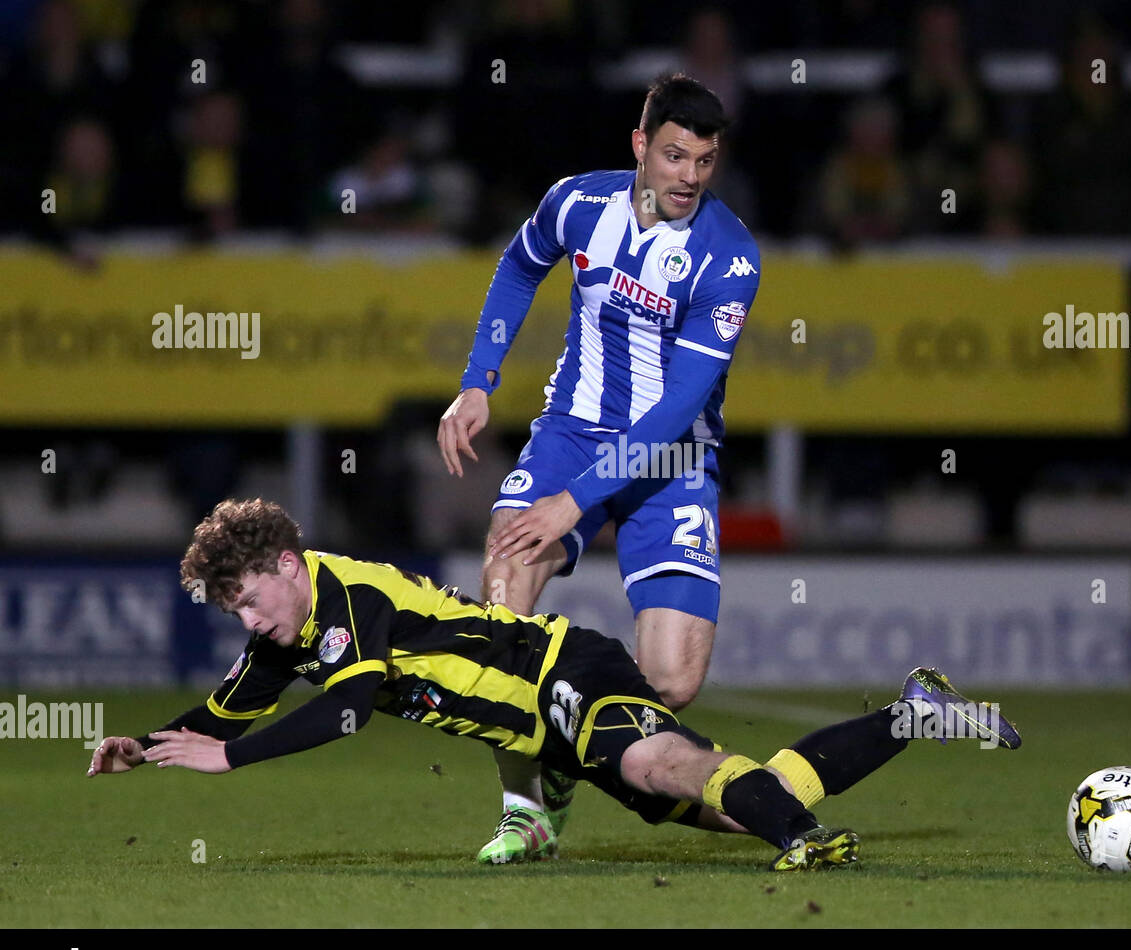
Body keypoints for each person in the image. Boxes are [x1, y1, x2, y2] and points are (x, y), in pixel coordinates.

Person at [86, 499, 1022, 872]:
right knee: (735, 800)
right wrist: (153, 741)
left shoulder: (348, 594)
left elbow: (344, 712)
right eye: (234, 613)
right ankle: (914, 713)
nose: (248, 622)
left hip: (564, 673)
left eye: (249, 600)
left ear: (287, 564)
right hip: (544, 725)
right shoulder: (290, 625)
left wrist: (233, 761)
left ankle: (809, 845)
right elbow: (229, 705)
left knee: (663, 764)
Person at [437, 72, 762, 862]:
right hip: (572, 433)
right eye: (676, 156)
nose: (689, 177)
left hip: (674, 457)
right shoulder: (577, 204)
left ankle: (565, 741)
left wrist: (574, 503)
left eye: (705, 162)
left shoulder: (731, 258)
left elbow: (676, 406)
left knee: (674, 682)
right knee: (505, 590)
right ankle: (527, 808)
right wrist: (478, 381)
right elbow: (519, 267)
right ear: (640, 146)